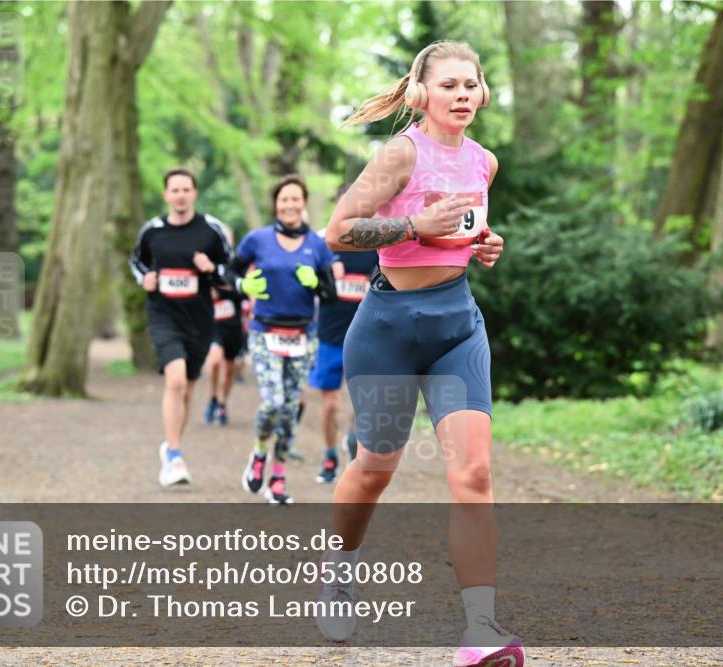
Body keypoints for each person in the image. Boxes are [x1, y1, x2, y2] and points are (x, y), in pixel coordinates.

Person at [315, 41, 523, 667]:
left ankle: (479, 628)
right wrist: (413, 229)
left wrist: (482, 243)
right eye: (450, 84)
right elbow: (338, 231)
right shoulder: (400, 153)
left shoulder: (484, 162)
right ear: (422, 94)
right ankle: (337, 570)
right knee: (375, 471)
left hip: (457, 327)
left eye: (472, 84)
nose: (462, 94)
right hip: (387, 331)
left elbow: (462, 232)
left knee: (474, 475)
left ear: (483, 93)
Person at [220, 175, 337, 505]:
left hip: (302, 334)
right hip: (265, 331)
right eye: (283, 199)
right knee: (272, 402)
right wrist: (245, 287)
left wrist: (315, 282)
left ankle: (279, 477)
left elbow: (330, 294)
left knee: (288, 408)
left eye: (295, 199)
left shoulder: (317, 244)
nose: (289, 205)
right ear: (276, 204)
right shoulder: (257, 240)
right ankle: (259, 453)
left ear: (303, 203)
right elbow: (228, 274)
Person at [129, 167, 232, 488]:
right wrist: (144, 279)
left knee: (186, 387)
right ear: (166, 195)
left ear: (194, 193)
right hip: (163, 315)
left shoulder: (211, 230)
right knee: (174, 381)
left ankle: (172, 446)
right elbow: (136, 262)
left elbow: (230, 271)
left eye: (186, 189)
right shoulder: (152, 231)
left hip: (199, 319)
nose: (181, 195)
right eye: (175, 190)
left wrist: (210, 269)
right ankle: (174, 454)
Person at [309, 226, 378, 483]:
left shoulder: (377, 245)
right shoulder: (325, 245)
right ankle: (329, 457)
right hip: (330, 336)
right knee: (330, 405)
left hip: (365, 336)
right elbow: (304, 279)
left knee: (362, 402)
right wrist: (325, 273)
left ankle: (352, 440)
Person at [203, 221, 243, 426]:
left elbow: (244, 290)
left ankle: (222, 402)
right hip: (213, 324)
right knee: (214, 361)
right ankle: (211, 396)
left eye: (228, 237)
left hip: (233, 325)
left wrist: (227, 290)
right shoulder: (207, 263)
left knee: (230, 368)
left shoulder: (237, 263)